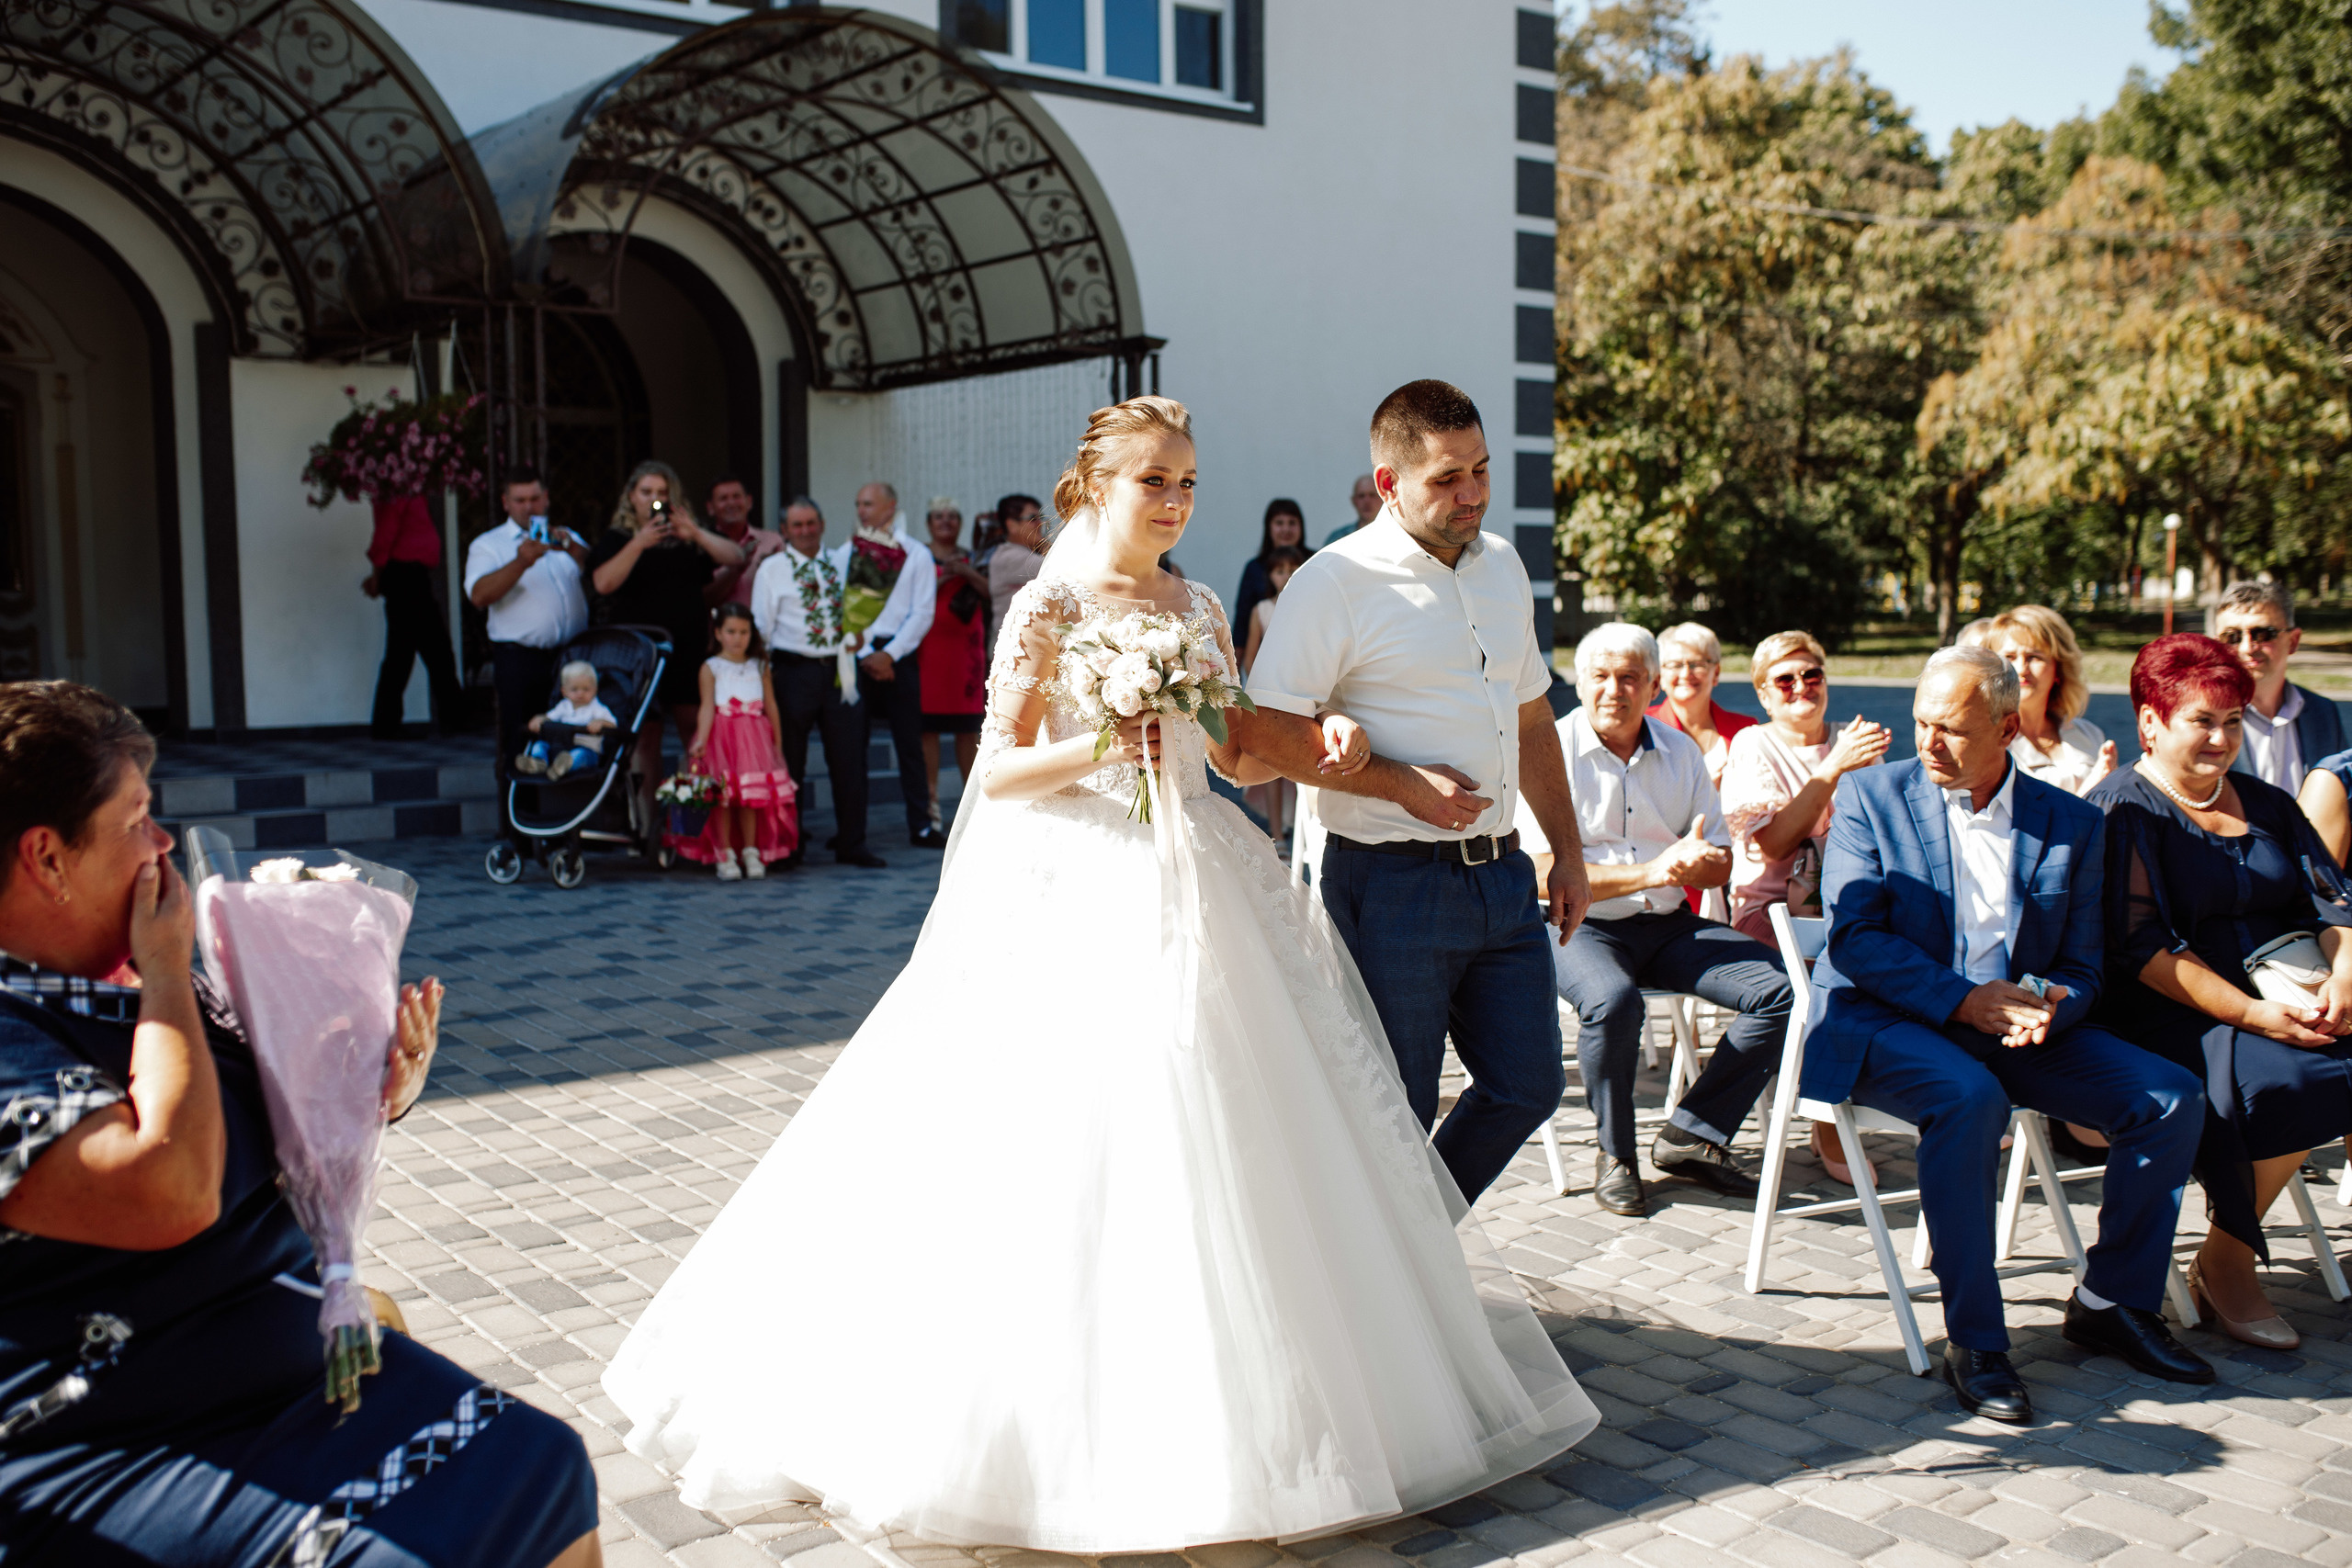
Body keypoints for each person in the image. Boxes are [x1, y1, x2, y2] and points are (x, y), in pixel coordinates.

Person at [603, 394, 1599, 1549]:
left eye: (1188, 482)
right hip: (1079, 879)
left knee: (1228, 1131)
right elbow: (997, 767)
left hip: (1203, 871)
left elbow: (1234, 751)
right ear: (1096, 489)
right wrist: (1101, 743)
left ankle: (1254, 1392)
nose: (1175, 502)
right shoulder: (1050, 601)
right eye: (1154, 481)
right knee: (1084, 1137)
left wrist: (1334, 744)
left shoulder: (1200, 604)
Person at [0, 682, 602, 1567]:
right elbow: (172, 1188)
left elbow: (272, 1124)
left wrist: (377, 1087)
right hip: (117, 1434)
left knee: (539, 1461)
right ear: (48, 857)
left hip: (271, 1369)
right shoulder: (56, 1008)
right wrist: (165, 971)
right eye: (135, 819)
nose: (163, 842)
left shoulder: (130, 979)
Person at [1809, 646, 2212, 1423]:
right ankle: (1976, 1339)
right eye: (1922, 722)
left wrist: (2058, 1001)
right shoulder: (1869, 795)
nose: (1929, 742)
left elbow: (2084, 963)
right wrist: (1965, 1001)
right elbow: (1855, 939)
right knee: (1970, 1099)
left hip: (2016, 1028)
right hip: (1887, 1019)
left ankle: (2112, 1301)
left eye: (1952, 729)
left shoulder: (2071, 820)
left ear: (2006, 727)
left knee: (2169, 1096)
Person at [1243, 379, 1592, 1204]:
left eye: (1481, 469)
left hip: (1504, 876)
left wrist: (1568, 851)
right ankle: (1390, 1274)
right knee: (1393, 1111)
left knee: (1528, 1085)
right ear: (1389, 482)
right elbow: (1259, 737)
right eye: (1447, 477)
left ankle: (1413, 1254)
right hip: (1390, 883)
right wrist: (1400, 783)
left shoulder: (1503, 564)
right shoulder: (1333, 581)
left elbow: (1532, 716)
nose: (1472, 493)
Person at [2087, 633, 2352, 1350]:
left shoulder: (2267, 802)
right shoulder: (2122, 810)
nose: (2221, 738)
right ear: (2150, 721)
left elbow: (2332, 904)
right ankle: (2225, 1261)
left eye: (2233, 720)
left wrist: (2345, 975)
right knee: (2294, 1079)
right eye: (2201, 720)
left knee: (2334, 1055)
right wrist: (2258, 1014)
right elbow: (2143, 950)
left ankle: (2227, 1253)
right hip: (2170, 1010)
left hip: (2290, 988)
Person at [1531, 623, 1794, 1216]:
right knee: (1613, 1001)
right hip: (1577, 923)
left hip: (1667, 923)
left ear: (1653, 686)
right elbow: (1539, 872)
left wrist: (1704, 863)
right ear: (1580, 683)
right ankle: (1615, 1155)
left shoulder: (1681, 752)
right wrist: (1656, 869)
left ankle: (1693, 1132)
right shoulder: (1548, 749)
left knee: (1787, 990)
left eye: (1629, 677)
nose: (1614, 689)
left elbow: (1719, 858)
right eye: (1600, 676)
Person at [587, 461, 746, 834]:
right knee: (646, 737)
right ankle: (648, 828)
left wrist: (696, 534)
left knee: (695, 733)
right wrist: (639, 542)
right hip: (641, 655)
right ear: (632, 497)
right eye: (647, 492)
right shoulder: (618, 537)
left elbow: (736, 558)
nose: (654, 500)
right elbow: (603, 584)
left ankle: (694, 825)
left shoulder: (688, 537)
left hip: (686, 648)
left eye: (662, 493)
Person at [751, 498, 886, 869]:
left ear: (822, 524)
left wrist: (863, 635)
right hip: (793, 672)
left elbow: (865, 610)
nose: (806, 531)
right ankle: (787, 846)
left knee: (850, 758)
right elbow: (761, 627)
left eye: (811, 523)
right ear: (784, 531)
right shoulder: (772, 569)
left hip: (841, 670)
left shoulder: (843, 562)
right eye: (797, 525)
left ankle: (852, 843)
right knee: (789, 759)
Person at [463, 468, 589, 853]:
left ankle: (565, 827)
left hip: (570, 658)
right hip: (520, 658)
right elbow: (479, 595)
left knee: (568, 738)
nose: (528, 507)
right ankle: (518, 834)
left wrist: (571, 547)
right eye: (519, 500)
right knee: (521, 743)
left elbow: (593, 570)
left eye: (535, 498)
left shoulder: (564, 536)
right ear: (506, 503)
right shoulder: (489, 545)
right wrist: (521, 562)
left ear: (546, 498)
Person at [852, 481, 943, 849]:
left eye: (869, 504)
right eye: (859, 504)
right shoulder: (847, 553)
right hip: (857, 654)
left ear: (890, 507)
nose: (862, 511)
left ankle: (921, 825)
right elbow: (842, 611)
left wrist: (888, 655)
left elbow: (922, 613)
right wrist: (866, 654)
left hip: (899, 656)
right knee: (851, 747)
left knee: (910, 744)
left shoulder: (916, 553)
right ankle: (852, 831)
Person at [682, 603, 797, 881]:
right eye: (731, 632)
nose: (738, 638)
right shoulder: (711, 668)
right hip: (721, 739)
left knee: (750, 798)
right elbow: (707, 706)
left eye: (744, 632)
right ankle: (724, 854)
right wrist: (702, 739)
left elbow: (771, 704)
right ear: (718, 633)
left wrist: (777, 741)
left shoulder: (760, 666)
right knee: (722, 797)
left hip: (754, 739)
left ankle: (750, 850)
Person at [2216, 580, 2346, 794]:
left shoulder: (2324, 712)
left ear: (2293, 641)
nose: (2247, 648)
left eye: (2263, 634)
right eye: (2232, 637)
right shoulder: (2202, 719)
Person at [362, 492, 468, 739]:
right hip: (405, 575)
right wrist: (378, 573)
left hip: (411, 575)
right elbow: (386, 531)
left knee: (423, 651)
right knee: (417, 652)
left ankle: (450, 717)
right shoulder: (399, 490)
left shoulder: (409, 490)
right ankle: (389, 724)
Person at [918, 497, 989, 833]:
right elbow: (909, 597)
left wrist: (966, 573)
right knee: (927, 730)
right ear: (929, 523)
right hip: (928, 651)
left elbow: (991, 593)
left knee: (968, 729)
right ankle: (930, 805)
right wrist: (943, 579)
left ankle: (973, 807)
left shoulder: (974, 557)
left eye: (952, 517)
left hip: (966, 654)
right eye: (938, 517)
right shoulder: (918, 556)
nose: (945, 522)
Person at [1991, 605, 2115, 795]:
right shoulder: (1990, 742)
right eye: (2009, 657)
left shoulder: (2090, 734)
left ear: (2059, 668)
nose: (2022, 669)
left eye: (2034, 657)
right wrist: (2090, 796)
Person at [1241, 544, 1307, 846]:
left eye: (1293, 569)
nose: (1286, 575)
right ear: (1270, 575)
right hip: (1270, 696)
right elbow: (1251, 658)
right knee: (1272, 765)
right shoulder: (1262, 610)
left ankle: (1304, 835)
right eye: (1280, 570)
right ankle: (1277, 834)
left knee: (1302, 763)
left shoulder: (1310, 608)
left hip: (1303, 692)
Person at [1647, 622, 1753, 789]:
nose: (1686, 674)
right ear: (1660, 675)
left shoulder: (1745, 730)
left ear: (1716, 673)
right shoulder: (1643, 726)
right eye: (1675, 665)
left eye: (1697, 664)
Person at [515, 660, 616, 780]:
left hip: (587, 750)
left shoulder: (597, 709)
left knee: (580, 755)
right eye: (574, 689)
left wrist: (601, 723)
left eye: (586, 689)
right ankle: (539, 762)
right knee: (539, 745)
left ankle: (563, 767)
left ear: (595, 689)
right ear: (564, 691)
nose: (580, 693)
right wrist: (539, 720)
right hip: (559, 749)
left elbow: (613, 724)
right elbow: (549, 717)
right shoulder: (563, 706)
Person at [702, 473, 786, 609]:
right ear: (710, 508)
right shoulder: (701, 546)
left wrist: (769, 569)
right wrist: (735, 570)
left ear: (749, 502)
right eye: (723, 498)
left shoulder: (772, 542)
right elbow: (702, 599)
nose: (731, 503)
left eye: (737, 497)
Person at [1231, 498, 1312, 637]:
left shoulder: (1314, 561)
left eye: (1292, 523)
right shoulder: (1254, 568)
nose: (1286, 529)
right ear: (1269, 527)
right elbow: (1242, 621)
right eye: (1279, 523)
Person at [988, 493, 1047, 639]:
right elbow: (1061, 568)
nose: (1040, 523)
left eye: (1041, 518)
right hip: (1012, 643)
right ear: (1012, 525)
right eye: (1032, 519)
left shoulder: (1020, 553)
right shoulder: (1008, 557)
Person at [1325, 472, 1380, 546]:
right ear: (1354, 501)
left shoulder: (1393, 536)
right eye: (1361, 496)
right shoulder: (1337, 538)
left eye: (1372, 495)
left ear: (1383, 499)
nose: (1367, 501)